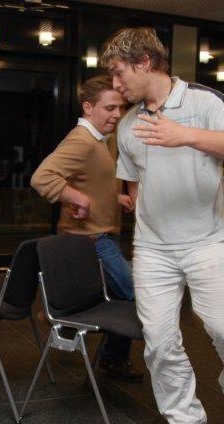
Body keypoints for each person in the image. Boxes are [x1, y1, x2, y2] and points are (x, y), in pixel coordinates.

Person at [102, 27, 224, 424]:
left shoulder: (204, 102)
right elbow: (134, 184)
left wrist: (186, 135)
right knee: (159, 341)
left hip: (208, 241)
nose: (115, 84)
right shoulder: (128, 124)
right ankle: (184, 416)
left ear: (144, 62)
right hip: (153, 249)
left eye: (119, 73)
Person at [31, 75, 143, 383]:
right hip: (92, 240)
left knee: (121, 293)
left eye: (121, 107)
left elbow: (89, 179)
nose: (117, 114)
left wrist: (114, 197)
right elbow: (42, 178)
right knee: (135, 293)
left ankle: (71, 320)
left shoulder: (100, 140)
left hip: (102, 236)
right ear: (88, 107)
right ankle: (104, 351)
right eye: (110, 108)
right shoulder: (81, 140)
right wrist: (76, 198)